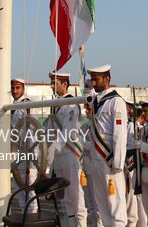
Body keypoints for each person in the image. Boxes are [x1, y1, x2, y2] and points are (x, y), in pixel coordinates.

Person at [88, 64, 128, 227]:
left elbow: (120, 134)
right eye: (92, 80)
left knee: (115, 204)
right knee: (102, 204)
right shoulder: (97, 102)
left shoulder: (116, 101)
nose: (93, 83)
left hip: (109, 159)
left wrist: (117, 162)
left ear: (107, 79)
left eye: (96, 80)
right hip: (96, 159)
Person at [46, 72, 87, 227]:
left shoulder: (71, 103)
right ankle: (70, 223)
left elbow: (67, 130)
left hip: (70, 152)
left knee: (75, 193)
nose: (51, 85)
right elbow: (50, 129)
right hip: (58, 155)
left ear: (64, 84)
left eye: (54, 82)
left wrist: (54, 147)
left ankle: (81, 224)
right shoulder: (55, 104)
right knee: (64, 195)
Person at [10, 78, 38, 214]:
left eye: (18, 88)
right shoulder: (12, 106)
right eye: (13, 88)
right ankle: (24, 214)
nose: (15, 91)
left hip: (28, 150)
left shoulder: (28, 105)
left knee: (29, 185)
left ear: (23, 89)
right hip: (16, 152)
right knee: (18, 185)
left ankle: (32, 215)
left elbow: (34, 129)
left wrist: (33, 154)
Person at [81, 97, 104, 227]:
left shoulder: (98, 126)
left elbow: (95, 145)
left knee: (98, 204)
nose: (86, 110)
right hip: (86, 167)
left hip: (95, 167)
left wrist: (80, 142)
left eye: (88, 108)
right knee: (89, 204)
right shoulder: (85, 126)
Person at [125, 101, 146, 227]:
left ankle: (137, 223)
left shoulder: (135, 127)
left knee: (134, 197)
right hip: (130, 162)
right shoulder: (130, 125)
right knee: (133, 197)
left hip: (133, 163)